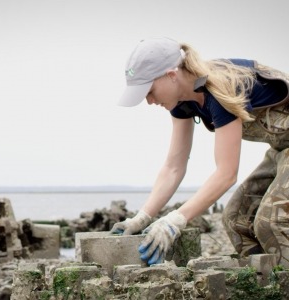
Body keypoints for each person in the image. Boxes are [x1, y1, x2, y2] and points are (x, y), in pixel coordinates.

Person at [111, 37, 289, 267]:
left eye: (149, 90)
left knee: (272, 221)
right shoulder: (183, 101)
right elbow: (174, 167)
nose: (149, 100)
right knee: (236, 219)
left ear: (171, 75)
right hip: (281, 149)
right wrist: (142, 217)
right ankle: (269, 283)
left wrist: (175, 220)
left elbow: (226, 174)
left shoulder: (220, 88)